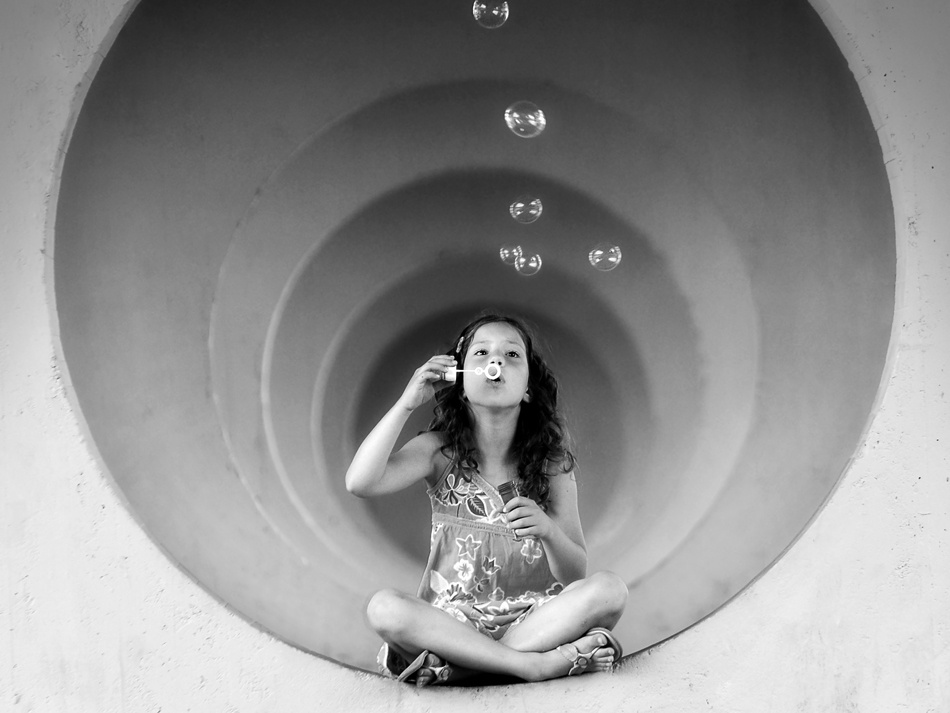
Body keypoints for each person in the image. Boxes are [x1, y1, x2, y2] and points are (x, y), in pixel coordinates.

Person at [345, 313, 628, 686]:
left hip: (533, 621)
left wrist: (547, 531)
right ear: (461, 384)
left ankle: (466, 669)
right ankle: (532, 666)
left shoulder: (551, 464)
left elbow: (576, 574)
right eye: (481, 352)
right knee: (384, 608)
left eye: (512, 355)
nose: (496, 361)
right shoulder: (438, 452)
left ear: (528, 389)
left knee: (609, 590)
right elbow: (360, 482)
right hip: (452, 625)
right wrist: (406, 403)